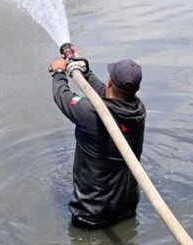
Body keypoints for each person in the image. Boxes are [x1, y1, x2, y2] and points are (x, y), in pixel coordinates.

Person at [49, 53, 146, 229]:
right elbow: (106, 95)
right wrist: (86, 72)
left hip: (89, 215)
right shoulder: (138, 111)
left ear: (110, 81)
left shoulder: (89, 113)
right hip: (126, 210)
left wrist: (58, 72)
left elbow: (61, 95)